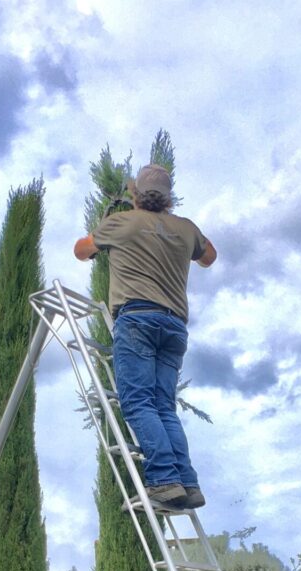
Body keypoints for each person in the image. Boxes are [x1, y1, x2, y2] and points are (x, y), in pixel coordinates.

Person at [74, 164, 217, 508]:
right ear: (169, 199)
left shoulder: (121, 223)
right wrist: (175, 237)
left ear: (134, 194)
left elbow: (81, 250)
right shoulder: (186, 228)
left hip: (137, 318)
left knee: (138, 402)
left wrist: (106, 233)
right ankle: (187, 483)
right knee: (163, 406)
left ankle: (164, 481)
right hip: (174, 326)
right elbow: (209, 257)